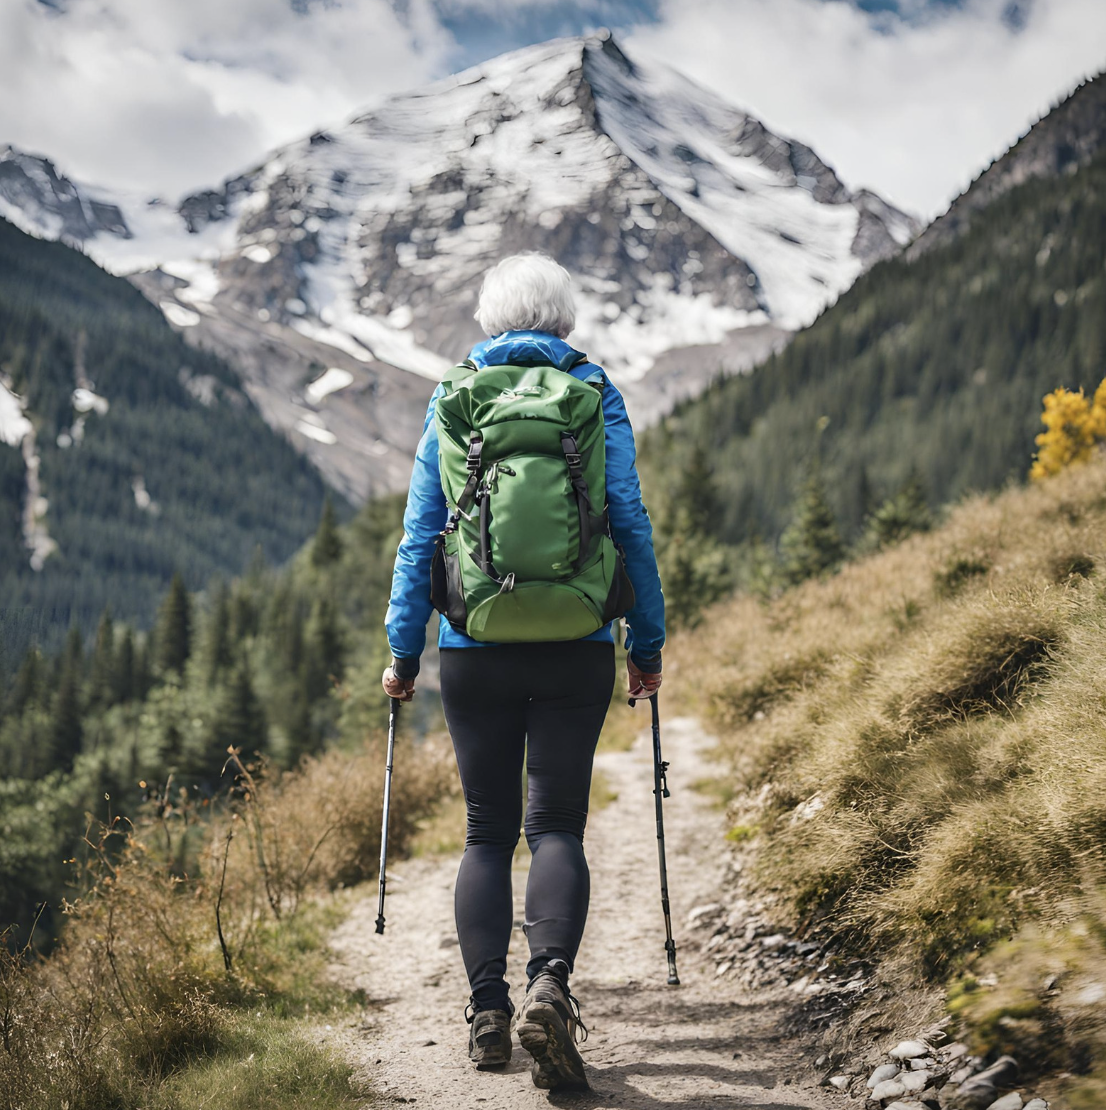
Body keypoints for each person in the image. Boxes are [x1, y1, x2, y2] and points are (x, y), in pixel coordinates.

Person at [382, 252, 665, 1091]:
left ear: (488, 317)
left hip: (475, 645)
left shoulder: (456, 395)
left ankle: (488, 1014)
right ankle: (550, 982)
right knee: (556, 827)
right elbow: (630, 523)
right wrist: (644, 645)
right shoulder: (593, 392)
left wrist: (404, 652)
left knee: (485, 832)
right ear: (564, 318)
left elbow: (420, 536)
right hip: (578, 641)